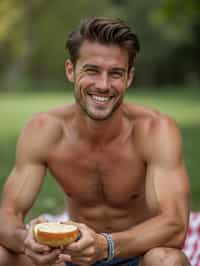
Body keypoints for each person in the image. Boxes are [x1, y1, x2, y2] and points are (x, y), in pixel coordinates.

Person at [0, 17, 190, 266]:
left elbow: (175, 226)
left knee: (167, 260)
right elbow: (7, 214)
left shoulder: (155, 130)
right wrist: (26, 240)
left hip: (134, 253)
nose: (103, 85)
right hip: (69, 256)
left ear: (129, 78)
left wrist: (105, 246)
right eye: (91, 71)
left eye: (115, 74)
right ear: (71, 70)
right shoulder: (44, 130)